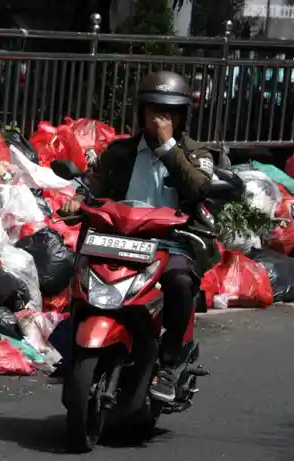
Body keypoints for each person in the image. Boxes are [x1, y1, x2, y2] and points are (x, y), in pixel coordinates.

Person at [60, 70, 214, 402]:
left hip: (171, 241)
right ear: (140, 110)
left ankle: (171, 364)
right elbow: (93, 187)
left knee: (180, 282)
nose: (161, 118)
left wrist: (168, 146)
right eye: (154, 110)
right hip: (118, 239)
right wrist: (76, 200)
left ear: (182, 115)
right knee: (80, 272)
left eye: (170, 112)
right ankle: (72, 347)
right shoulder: (120, 152)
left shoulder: (194, 153)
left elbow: (198, 188)